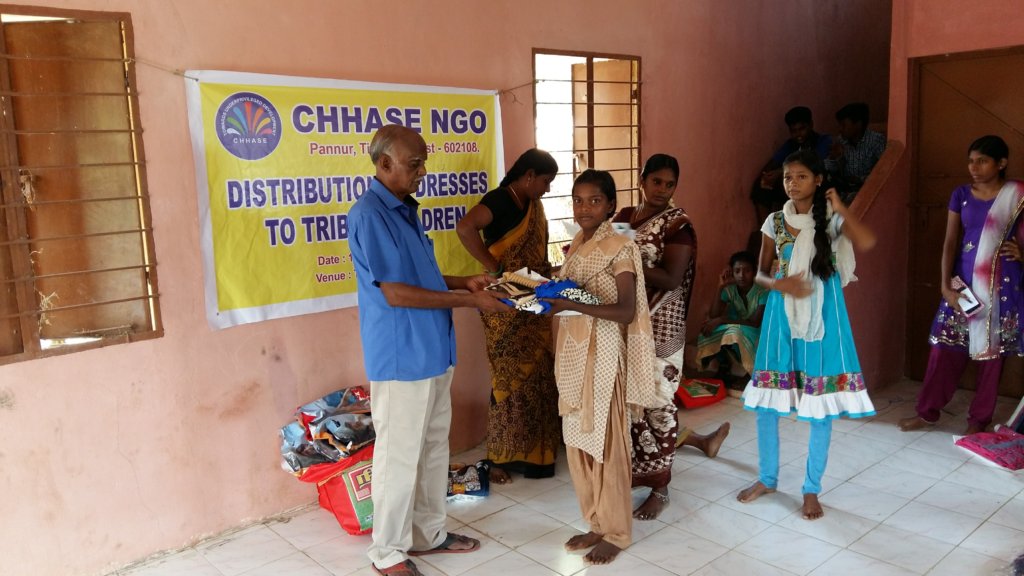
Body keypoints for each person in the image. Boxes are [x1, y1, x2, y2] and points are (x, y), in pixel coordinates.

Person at [349, 124, 509, 576]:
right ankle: (387, 552)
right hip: (402, 356)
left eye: (423, 163)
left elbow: (420, 277)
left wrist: (464, 282)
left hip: (435, 350)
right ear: (385, 164)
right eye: (414, 164)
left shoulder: (405, 210)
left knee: (434, 449)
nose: (423, 172)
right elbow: (396, 292)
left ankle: (427, 534)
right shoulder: (370, 215)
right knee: (399, 456)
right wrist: (470, 301)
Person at [737, 149, 877, 521]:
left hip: (824, 318)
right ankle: (767, 478)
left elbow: (865, 240)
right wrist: (780, 284)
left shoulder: (830, 220)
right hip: (781, 316)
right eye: (787, 177)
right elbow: (760, 273)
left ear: (818, 179)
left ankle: (811, 488)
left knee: (820, 402)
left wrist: (841, 208)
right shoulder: (773, 222)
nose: (792, 183)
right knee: (767, 400)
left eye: (801, 176)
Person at [543, 169, 655, 565]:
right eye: (578, 200)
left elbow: (625, 310)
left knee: (606, 444)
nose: (584, 208)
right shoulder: (578, 243)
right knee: (577, 440)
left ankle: (617, 531)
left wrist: (570, 303)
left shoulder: (620, 247)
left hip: (604, 354)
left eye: (594, 200)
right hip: (574, 353)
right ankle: (595, 522)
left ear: (610, 205)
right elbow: (570, 292)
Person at [611, 154, 729, 521]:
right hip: (626, 321)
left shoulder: (678, 227)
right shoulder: (626, 217)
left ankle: (660, 489)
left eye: (670, 184)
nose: (662, 189)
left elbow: (671, 277)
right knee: (629, 404)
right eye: (656, 181)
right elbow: (610, 251)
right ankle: (633, 474)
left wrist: (626, 264)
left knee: (658, 405)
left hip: (662, 328)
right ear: (642, 180)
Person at [898, 135, 1024, 435]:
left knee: (991, 356)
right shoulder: (961, 194)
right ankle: (927, 413)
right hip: (963, 283)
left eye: (982, 161)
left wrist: (1022, 252)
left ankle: (978, 420)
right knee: (943, 348)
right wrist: (945, 286)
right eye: (971, 161)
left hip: (1001, 286)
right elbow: (950, 242)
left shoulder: (1018, 195)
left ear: (1001, 163)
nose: (974, 168)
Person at [455, 149, 561, 484]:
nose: (547, 189)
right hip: (504, 303)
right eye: (545, 181)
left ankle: (539, 453)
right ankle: (502, 456)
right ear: (529, 176)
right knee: (508, 380)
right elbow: (465, 228)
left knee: (538, 374)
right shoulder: (500, 199)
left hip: (535, 299)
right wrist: (493, 266)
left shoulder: (533, 205)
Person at [751, 106, 837, 224]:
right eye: (793, 131)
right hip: (797, 184)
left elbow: (812, 163)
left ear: (811, 125)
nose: (798, 134)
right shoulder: (791, 144)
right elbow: (774, 161)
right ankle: (766, 229)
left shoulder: (823, 141)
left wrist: (780, 172)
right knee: (760, 186)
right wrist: (766, 175)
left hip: (819, 184)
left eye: (802, 129)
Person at [697, 250, 768, 386]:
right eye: (737, 271)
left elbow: (754, 323)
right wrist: (720, 287)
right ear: (732, 272)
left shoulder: (762, 292)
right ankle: (723, 368)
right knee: (709, 328)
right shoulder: (730, 290)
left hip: (757, 333)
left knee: (733, 332)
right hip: (737, 329)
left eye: (747, 271)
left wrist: (722, 320)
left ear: (754, 272)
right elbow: (714, 315)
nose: (741, 275)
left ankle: (749, 374)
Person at [829, 102, 886, 202]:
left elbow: (884, 172)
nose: (840, 129)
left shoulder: (876, 141)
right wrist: (833, 158)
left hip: (868, 190)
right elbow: (830, 170)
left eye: (843, 125)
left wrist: (860, 179)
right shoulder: (841, 141)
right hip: (845, 189)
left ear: (858, 125)